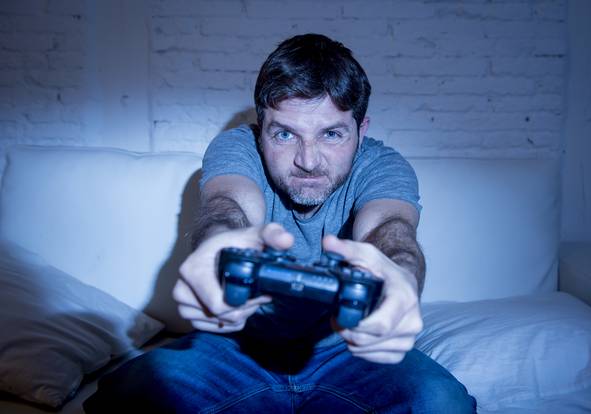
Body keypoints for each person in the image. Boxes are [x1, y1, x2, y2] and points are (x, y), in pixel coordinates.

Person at [84, 33, 476, 413]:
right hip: (236, 349)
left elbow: (390, 229)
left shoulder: (383, 165)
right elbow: (228, 206)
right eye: (285, 134)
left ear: (362, 130)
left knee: (442, 402)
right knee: (125, 394)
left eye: (332, 134)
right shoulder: (238, 146)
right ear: (261, 128)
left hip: (350, 352)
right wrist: (217, 247)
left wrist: (401, 277)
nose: (308, 160)